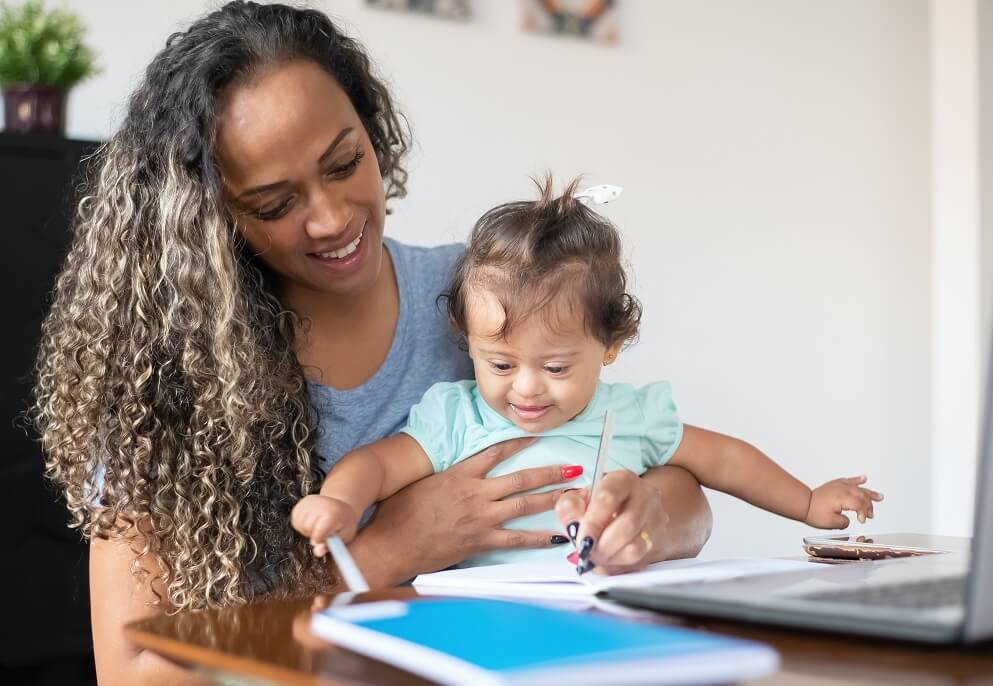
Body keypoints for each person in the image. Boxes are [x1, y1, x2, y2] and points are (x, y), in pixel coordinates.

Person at [29, 2, 711, 684]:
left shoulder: (480, 302)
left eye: (344, 163)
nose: (330, 219)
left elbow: (674, 480)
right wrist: (386, 551)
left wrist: (651, 517)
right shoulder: (166, 378)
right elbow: (132, 671)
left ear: (371, 129)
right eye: (274, 204)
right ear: (207, 220)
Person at [292, 177, 885, 572]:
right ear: (465, 342)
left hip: (610, 612)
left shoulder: (630, 415)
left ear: (610, 348)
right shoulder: (457, 415)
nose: (525, 388)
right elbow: (377, 462)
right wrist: (340, 503)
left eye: (555, 367)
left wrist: (807, 501)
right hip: (481, 617)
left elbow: (724, 461)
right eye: (499, 364)